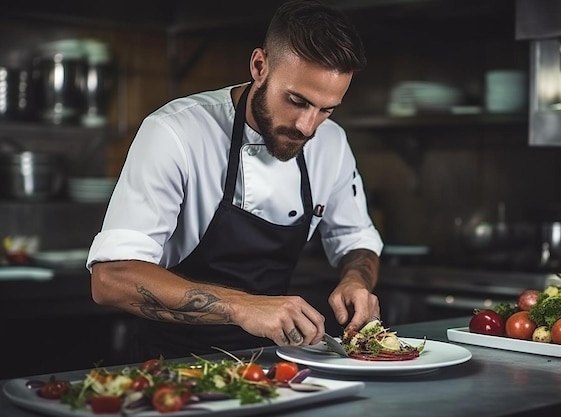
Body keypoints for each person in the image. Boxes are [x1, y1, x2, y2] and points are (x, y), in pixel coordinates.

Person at [87, 0, 383, 362]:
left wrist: (357, 281)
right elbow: (110, 279)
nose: (308, 126)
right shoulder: (175, 132)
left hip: (275, 366)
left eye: (326, 109)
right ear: (260, 66)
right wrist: (244, 307)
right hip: (171, 368)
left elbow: (357, 239)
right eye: (296, 101)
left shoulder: (331, 143)